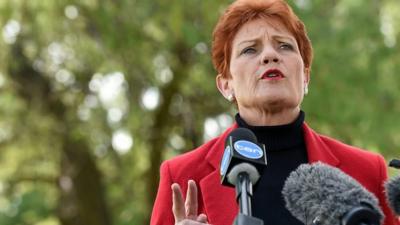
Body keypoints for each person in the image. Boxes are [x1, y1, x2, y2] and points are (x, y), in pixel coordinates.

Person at [150, 0, 400, 225]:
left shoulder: (367, 171)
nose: (270, 55)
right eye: (250, 50)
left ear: (305, 76)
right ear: (226, 84)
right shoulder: (182, 176)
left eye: (284, 46)